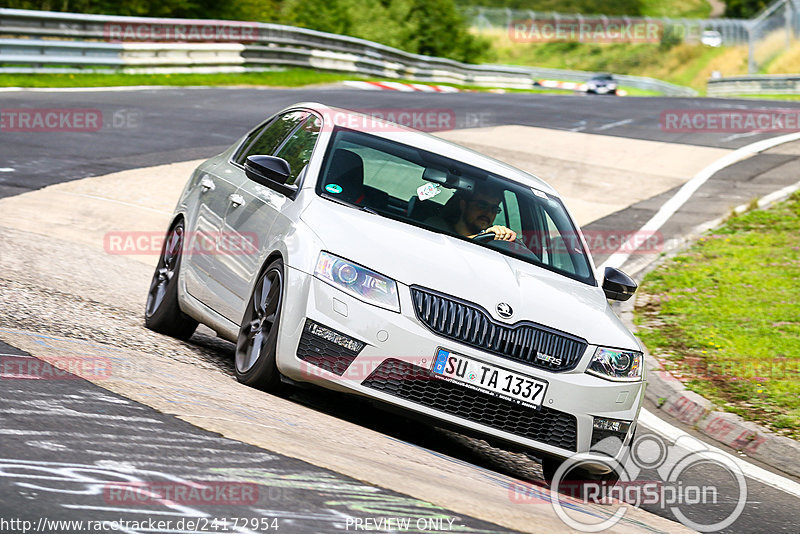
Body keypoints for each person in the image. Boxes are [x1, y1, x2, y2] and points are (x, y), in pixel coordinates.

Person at [426, 184, 516, 241]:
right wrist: (484, 237)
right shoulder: (435, 225)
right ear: (463, 205)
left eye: (494, 209)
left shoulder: (494, 236)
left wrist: (507, 236)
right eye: (482, 205)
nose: (488, 212)